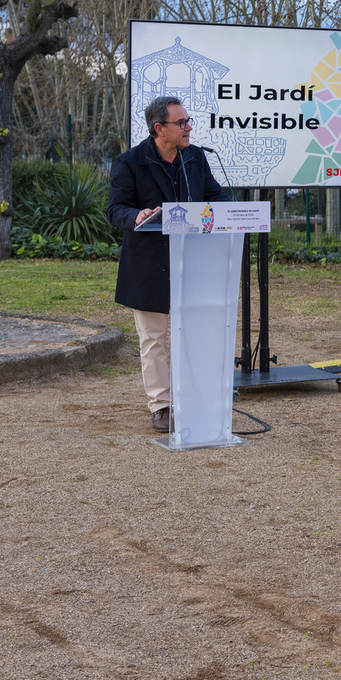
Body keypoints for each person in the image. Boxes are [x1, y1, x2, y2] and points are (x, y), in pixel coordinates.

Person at [107, 96, 226, 433]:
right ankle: (161, 406)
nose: (189, 128)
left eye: (189, 121)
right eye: (182, 123)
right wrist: (137, 215)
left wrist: (228, 212)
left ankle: (196, 397)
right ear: (160, 128)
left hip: (194, 260)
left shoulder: (195, 157)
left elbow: (214, 196)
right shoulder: (129, 162)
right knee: (154, 339)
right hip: (149, 264)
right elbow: (115, 209)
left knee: (195, 334)